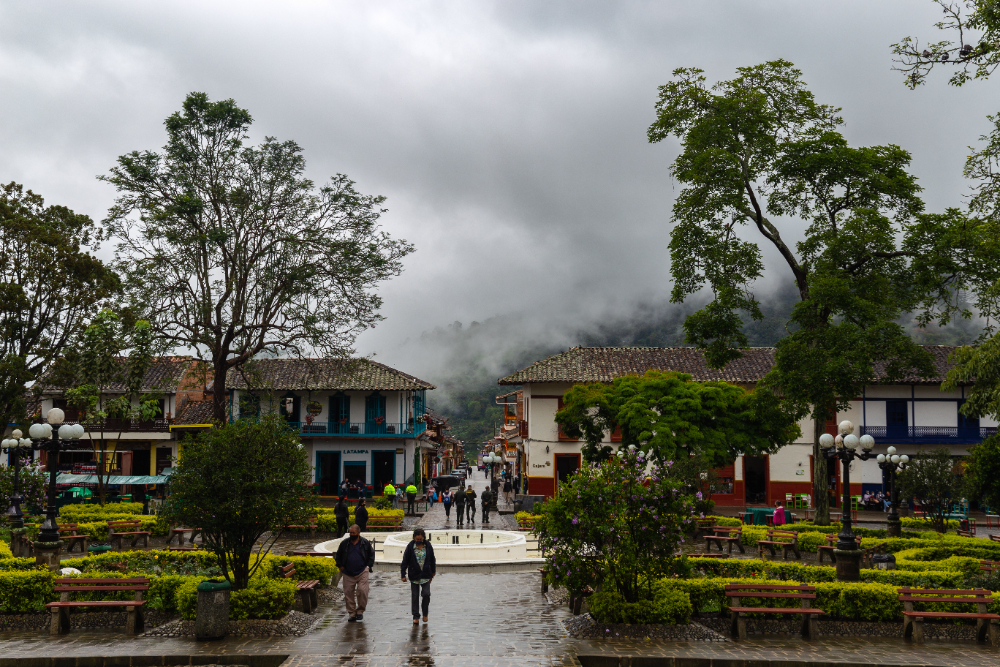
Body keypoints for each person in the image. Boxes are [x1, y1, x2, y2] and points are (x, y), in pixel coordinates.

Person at [335, 524, 375, 622]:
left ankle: (360, 611)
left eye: (353, 533)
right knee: (348, 593)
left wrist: (368, 565)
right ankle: (352, 613)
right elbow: (338, 555)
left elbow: (371, 554)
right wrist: (341, 566)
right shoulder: (344, 543)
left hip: (362, 571)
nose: (351, 534)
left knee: (362, 591)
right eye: (350, 532)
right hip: (347, 572)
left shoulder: (364, 543)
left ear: (358, 533)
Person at [400, 528, 436, 624]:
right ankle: (415, 616)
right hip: (414, 575)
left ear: (423, 538)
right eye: (417, 539)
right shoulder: (410, 547)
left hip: (425, 575)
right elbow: (405, 560)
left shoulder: (428, 546)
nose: (419, 541)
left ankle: (425, 613)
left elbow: (432, 559)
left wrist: (433, 572)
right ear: (414, 538)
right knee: (415, 596)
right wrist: (403, 573)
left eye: (420, 539)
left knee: (426, 594)